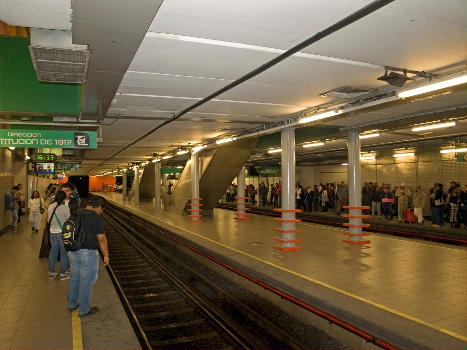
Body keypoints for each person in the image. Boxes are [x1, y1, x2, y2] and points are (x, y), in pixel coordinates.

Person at [67, 196, 109, 317]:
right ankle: (84, 310)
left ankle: (71, 304)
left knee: (75, 278)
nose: (101, 212)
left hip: (73, 252)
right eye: (102, 210)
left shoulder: (76, 212)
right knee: (87, 281)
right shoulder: (95, 217)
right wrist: (106, 255)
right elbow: (101, 239)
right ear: (99, 207)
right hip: (87, 254)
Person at [47, 190, 70, 280]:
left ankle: (52, 273)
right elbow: (68, 220)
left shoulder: (50, 207)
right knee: (64, 253)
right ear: (64, 198)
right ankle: (63, 274)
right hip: (62, 233)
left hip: (52, 232)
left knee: (53, 252)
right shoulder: (65, 208)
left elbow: (48, 220)